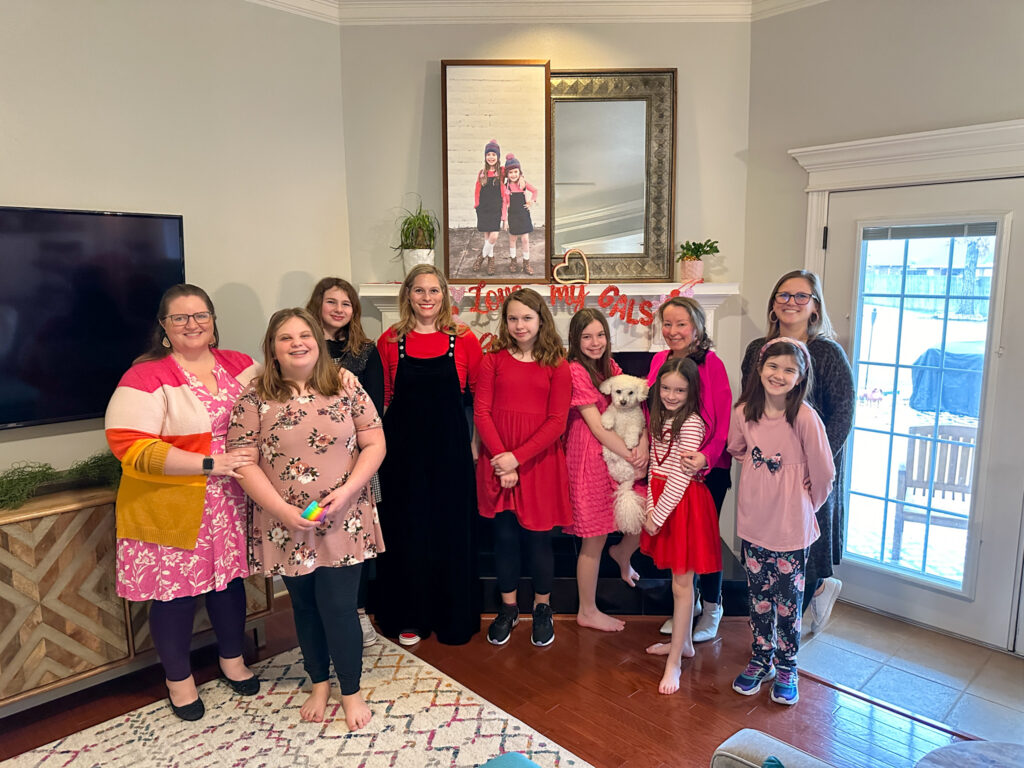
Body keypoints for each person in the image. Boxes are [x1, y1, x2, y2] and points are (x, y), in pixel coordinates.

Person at [105, 283, 261, 722]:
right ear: (164, 327)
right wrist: (211, 463)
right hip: (172, 504)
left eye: (201, 316)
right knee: (174, 597)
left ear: (213, 321)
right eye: (180, 317)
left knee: (229, 584)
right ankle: (180, 681)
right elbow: (128, 445)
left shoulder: (241, 365)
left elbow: (281, 399)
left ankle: (232, 660)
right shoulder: (146, 376)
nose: (192, 324)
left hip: (230, 501)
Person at [228, 308, 384, 731]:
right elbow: (243, 462)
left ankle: (349, 691)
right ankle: (318, 682)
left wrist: (349, 490)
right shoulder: (253, 397)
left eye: (304, 335)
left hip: (344, 517)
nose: (297, 343)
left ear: (318, 341)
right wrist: (282, 511)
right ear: (272, 349)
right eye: (285, 337)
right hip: (284, 522)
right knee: (305, 606)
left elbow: (374, 443)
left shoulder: (347, 388)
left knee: (338, 606)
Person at [740, 270, 854, 635]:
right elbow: (749, 402)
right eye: (783, 295)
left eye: (801, 296)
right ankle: (776, 628)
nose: (791, 302)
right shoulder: (758, 350)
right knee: (765, 550)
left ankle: (794, 620)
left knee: (805, 549)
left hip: (809, 468)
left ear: (815, 307)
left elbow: (844, 412)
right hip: (767, 467)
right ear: (773, 305)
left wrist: (814, 464)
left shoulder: (827, 352)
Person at [373, 264, 483, 645]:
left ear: (445, 295)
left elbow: (478, 398)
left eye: (434, 291)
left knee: (451, 530)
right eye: (419, 291)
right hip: (402, 456)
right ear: (408, 295)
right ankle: (410, 616)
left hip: (450, 452)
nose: (427, 298)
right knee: (408, 530)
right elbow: (384, 399)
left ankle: (452, 617)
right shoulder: (390, 340)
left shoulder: (465, 339)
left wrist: (474, 444)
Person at [728, 338, 834, 706]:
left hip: (791, 527)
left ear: (800, 377)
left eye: (790, 369)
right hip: (755, 523)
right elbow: (738, 449)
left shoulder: (804, 417)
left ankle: (788, 664)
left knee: (788, 602)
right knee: (758, 597)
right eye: (773, 366)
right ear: (759, 369)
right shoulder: (743, 411)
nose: (779, 374)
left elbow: (823, 474)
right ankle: (761, 656)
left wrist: (805, 505)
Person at [475, 288, 572, 647]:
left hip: (538, 463)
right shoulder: (493, 360)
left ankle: (542, 608)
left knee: (538, 540)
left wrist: (518, 458)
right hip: (498, 461)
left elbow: (557, 421)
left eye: (527, 317)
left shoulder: (557, 364)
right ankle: (509, 608)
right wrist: (503, 459)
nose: (520, 325)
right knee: (504, 539)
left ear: (541, 319)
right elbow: (482, 412)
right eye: (513, 318)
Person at [645, 296, 732, 642]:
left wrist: (706, 456)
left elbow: (722, 420)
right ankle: (687, 605)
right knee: (678, 543)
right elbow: (648, 409)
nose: (673, 331)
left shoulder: (712, 364)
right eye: (667, 323)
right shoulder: (658, 361)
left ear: (696, 326)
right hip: (668, 464)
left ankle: (713, 606)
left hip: (705, 469)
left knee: (702, 542)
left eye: (681, 324)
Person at [306, 277, 384, 648]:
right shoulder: (300, 344)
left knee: (357, 535)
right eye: (331, 301)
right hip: (306, 463)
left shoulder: (365, 351)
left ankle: (357, 612)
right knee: (311, 524)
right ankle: (317, 610)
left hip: (355, 459)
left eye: (346, 304)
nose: (339, 309)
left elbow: (377, 408)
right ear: (317, 304)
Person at [640, 357, 723, 695]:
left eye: (680, 390)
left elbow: (679, 475)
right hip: (661, 500)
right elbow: (653, 467)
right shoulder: (659, 417)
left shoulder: (691, 423)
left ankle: (675, 660)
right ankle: (684, 643)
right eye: (666, 388)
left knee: (682, 584)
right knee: (677, 578)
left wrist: (657, 515)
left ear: (691, 392)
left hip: (683, 504)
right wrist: (649, 503)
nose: (671, 395)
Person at [563, 308, 648, 632]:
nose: (595, 342)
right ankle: (588, 609)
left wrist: (642, 444)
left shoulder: (609, 367)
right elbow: (598, 428)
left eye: (600, 335)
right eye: (587, 336)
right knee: (594, 536)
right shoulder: (575, 370)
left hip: (618, 449)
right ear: (576, 339)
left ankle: (622, 553)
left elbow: (633, 406)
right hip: (589, 456)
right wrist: (630, 452)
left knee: (643, 513)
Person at [501, 154, 538, 275]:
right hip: (512, 216)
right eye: (510, 172)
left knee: (525, 239)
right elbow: (505, 203)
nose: (513, 174)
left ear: (519, 172)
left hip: (523, 215)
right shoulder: (506, 187)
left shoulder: (523, 184)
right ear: (507, 174)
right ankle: (513, 261)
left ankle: (526, 263)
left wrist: (531, 202)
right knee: (512, 239)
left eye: (516, 171)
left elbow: (535, 191)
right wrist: (505, 220)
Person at [472, 139, 504, 275]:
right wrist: (477, 205)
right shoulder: (482, 173)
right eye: (488, 154)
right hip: (483, 208)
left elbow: (516, 172)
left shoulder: (502, 172)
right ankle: (491, 260)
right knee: (487, 236)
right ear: (485, 156)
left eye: (494, 154)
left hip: (496, 208)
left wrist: (522, 178)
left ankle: (481, 257)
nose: (491, 157)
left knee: (494, 235)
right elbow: (477, 190)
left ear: (498, 157)